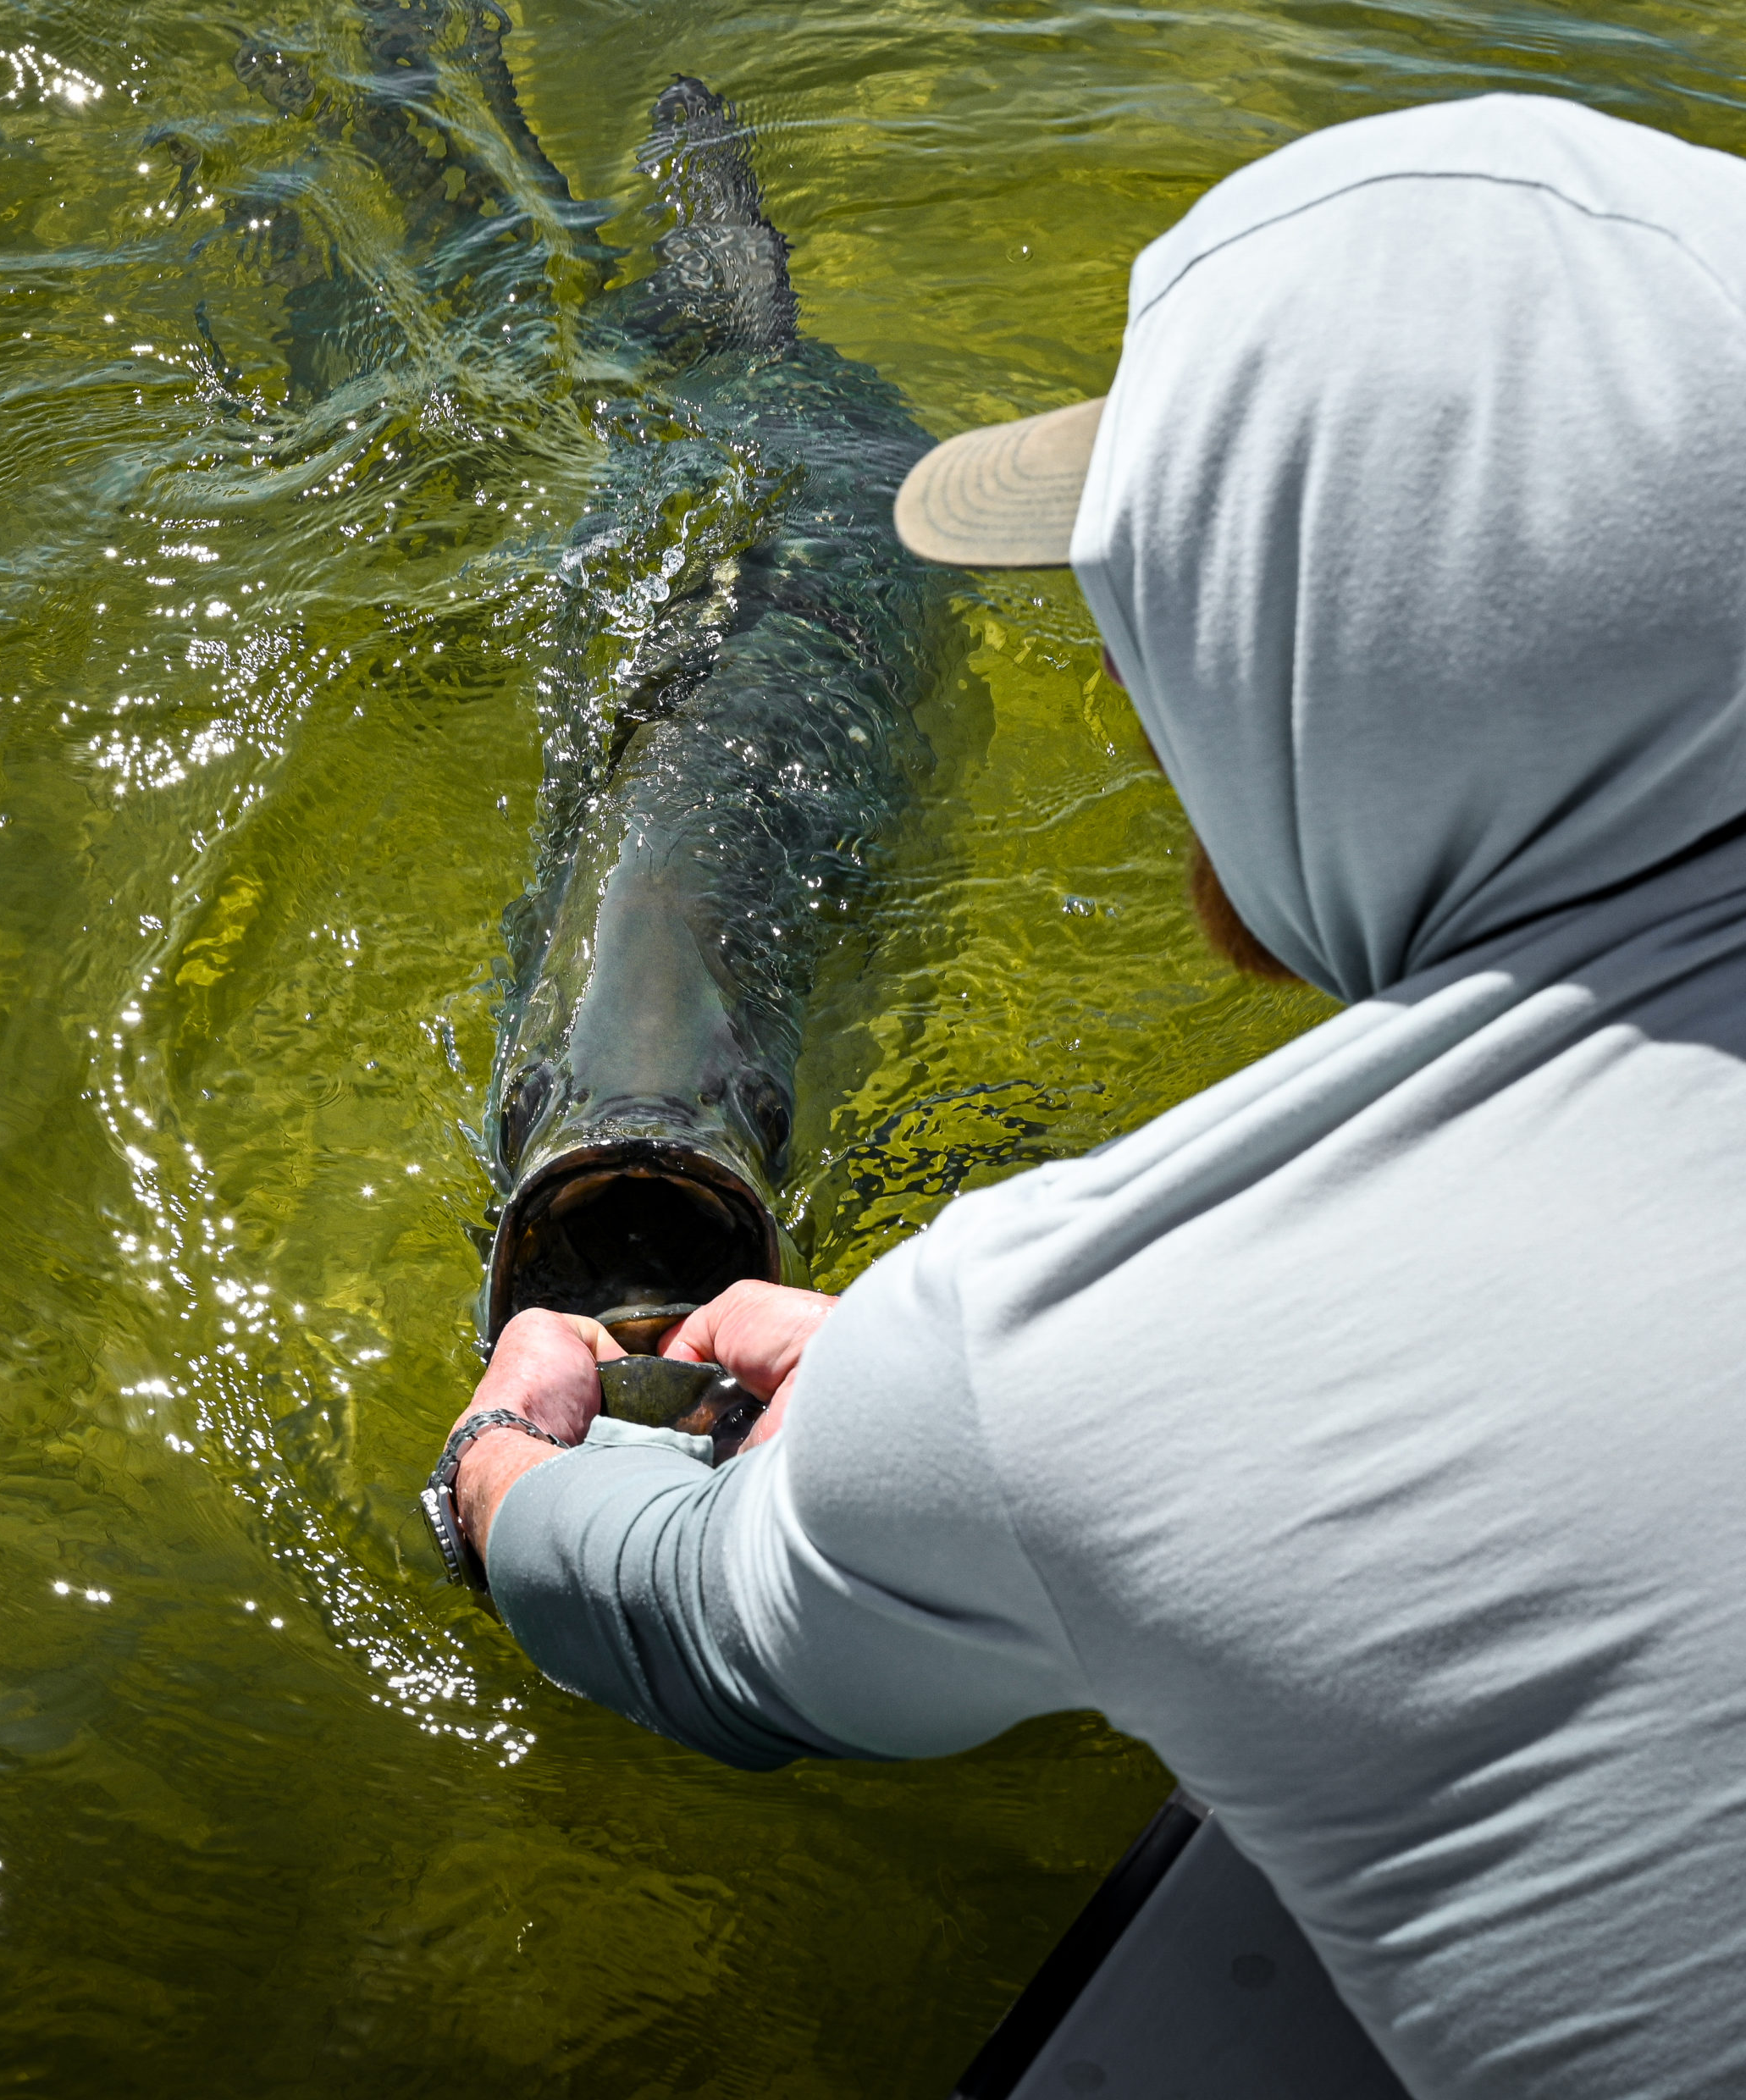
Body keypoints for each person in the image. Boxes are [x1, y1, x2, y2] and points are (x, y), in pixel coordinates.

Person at [435, 92, 1746, 2100]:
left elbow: (689, 1610)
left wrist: (512, 1470)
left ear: (1342, 672)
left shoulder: (1094, 1357)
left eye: (1170, 624)